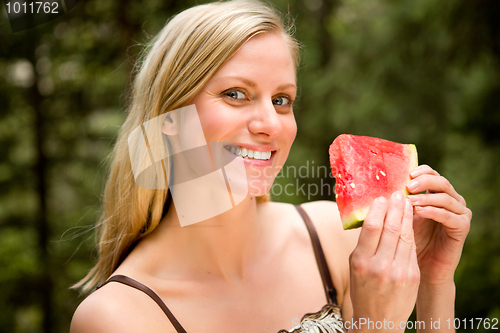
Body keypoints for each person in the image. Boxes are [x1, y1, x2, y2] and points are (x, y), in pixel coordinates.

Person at [70, 1, 472, 332]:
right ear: (169, 121)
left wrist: (435, 281)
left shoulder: (336, 241)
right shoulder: (117, 317)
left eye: (282, 100)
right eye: (236, 94)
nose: (270, 125)